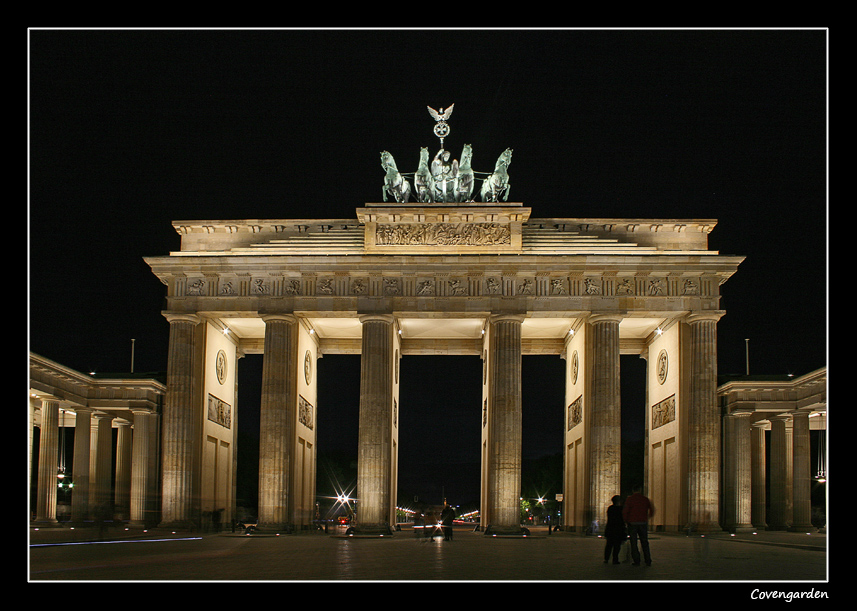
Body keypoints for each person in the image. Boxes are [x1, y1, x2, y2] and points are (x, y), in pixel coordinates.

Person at [623, 485, 655, 566]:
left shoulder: (630, 499)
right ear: (640, 490)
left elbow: (625, 511)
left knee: (633, 542)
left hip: (632, 523)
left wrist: (626, 521)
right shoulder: (645, 499)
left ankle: (636, 560)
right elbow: (652, 510)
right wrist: (647, 517)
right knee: (644, 542)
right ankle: (648, 560)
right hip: (643, 523)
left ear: (633, 491)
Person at [603, 495, 627, 564]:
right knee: (617, 545)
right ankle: (615, 559)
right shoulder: (621, 509)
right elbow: (623, 519)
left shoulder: (610, 508)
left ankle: (606, 559)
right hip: (618, 529)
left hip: (610, 528)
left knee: (609, 545)